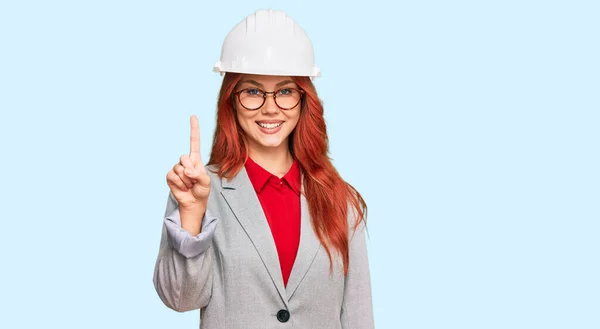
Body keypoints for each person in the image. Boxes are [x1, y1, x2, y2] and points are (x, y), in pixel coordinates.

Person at [153, 9, 374, 329]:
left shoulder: (341, 200)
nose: (270, 107)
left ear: (303, 99)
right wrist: (190, 214)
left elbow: (358, 316)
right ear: (231, 99)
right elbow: (181, 299)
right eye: (253, 91)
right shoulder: (198, 190)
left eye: (285, 91)